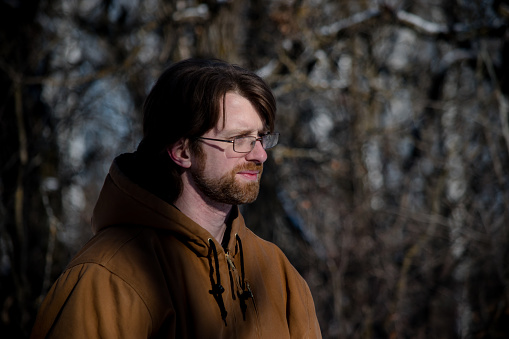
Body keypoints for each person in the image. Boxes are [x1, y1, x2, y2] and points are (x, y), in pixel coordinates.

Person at [31, 58, 322, 338]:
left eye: (260, 137)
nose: (260, 154)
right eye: (240, 139)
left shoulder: (277, 273)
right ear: (182, 151)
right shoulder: (109, 276)